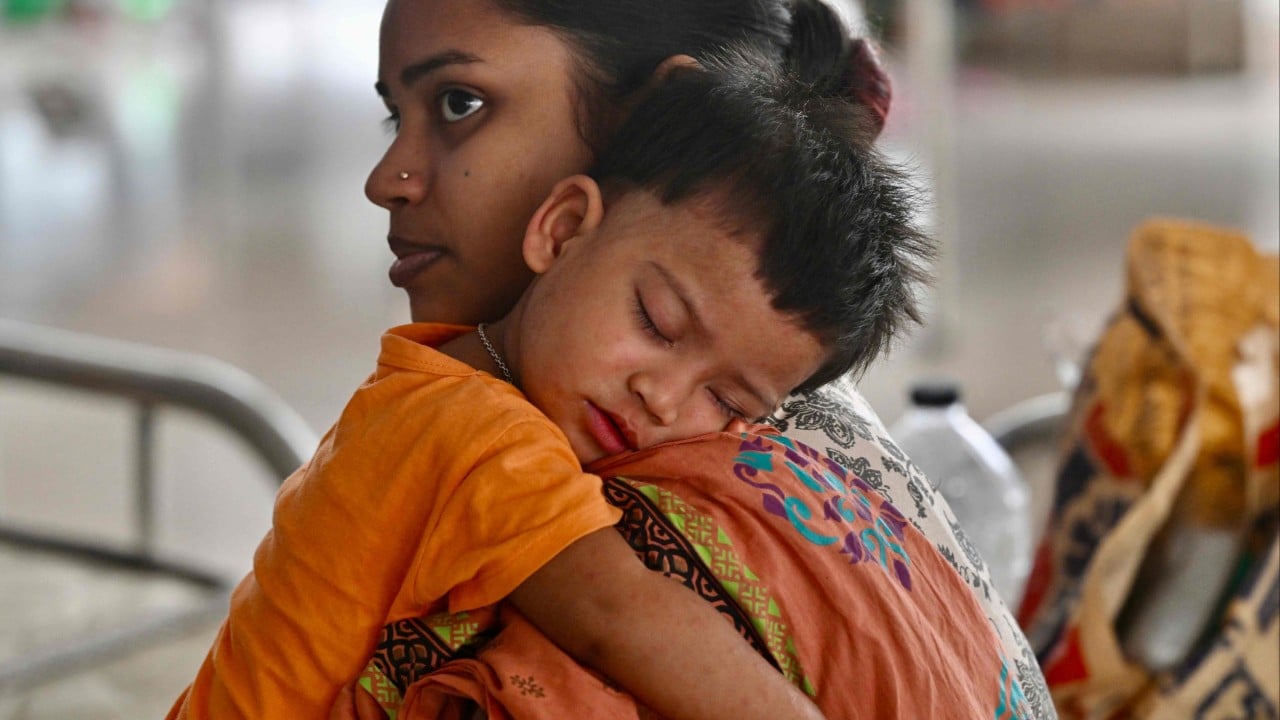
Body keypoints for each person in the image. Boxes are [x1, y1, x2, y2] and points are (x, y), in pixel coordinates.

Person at [169, 49, 929, 720]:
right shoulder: (468, 427)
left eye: (728, 403)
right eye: (657, 322)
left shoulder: (438, 377)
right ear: (563, 229)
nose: (662, 399)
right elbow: (618, 613)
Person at [358, 0, 1054, 715]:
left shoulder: (651, 520)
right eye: (394, 115)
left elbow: (612, 615)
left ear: (652, 112)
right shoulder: (753, 424)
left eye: (459, 103)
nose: (387, 178)